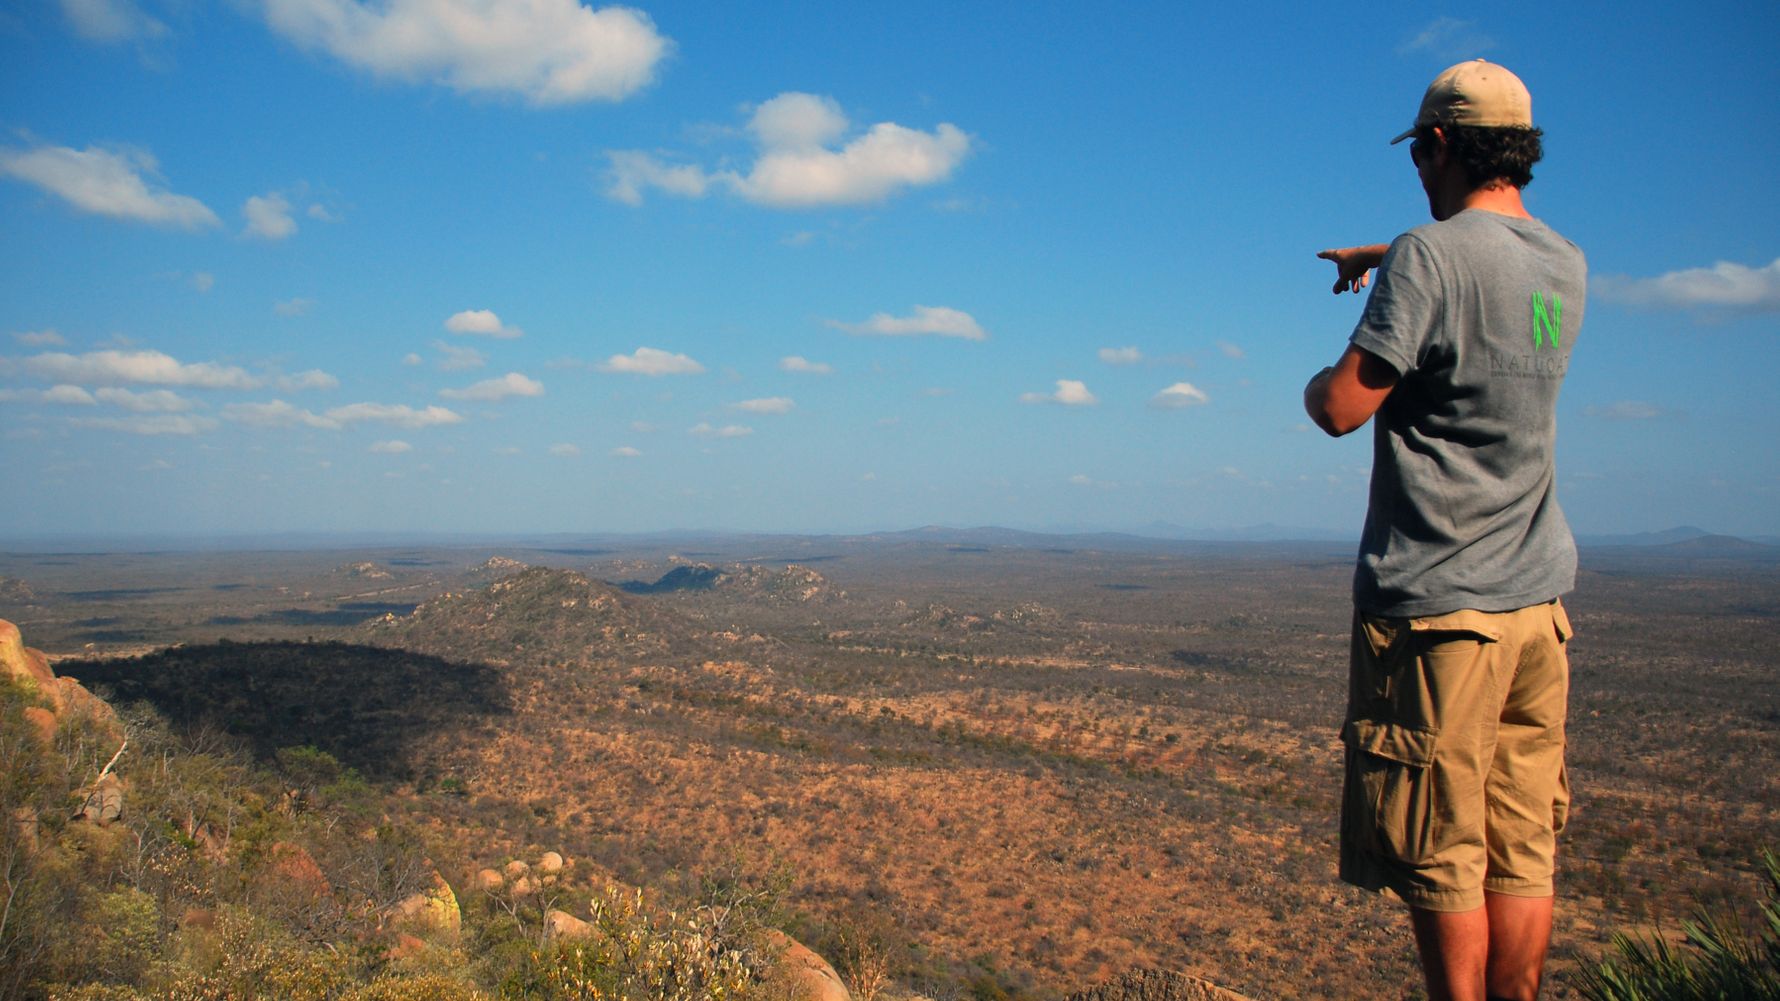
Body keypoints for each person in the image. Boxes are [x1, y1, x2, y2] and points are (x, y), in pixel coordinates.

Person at [1303, 60, 1584, 1001]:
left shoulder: (1429, 255)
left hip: (1440, 615)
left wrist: (1318, 375)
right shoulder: (1563, 262)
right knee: (1520, 840)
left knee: (1441, 846)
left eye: (1421, 155)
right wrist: (1383, 258)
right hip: (1537, 608)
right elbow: (1486, 267)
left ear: (1437, 145)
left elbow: (1344, 406)